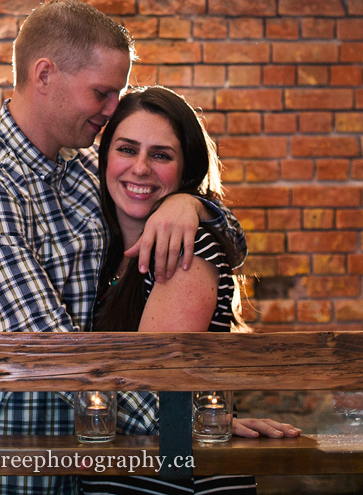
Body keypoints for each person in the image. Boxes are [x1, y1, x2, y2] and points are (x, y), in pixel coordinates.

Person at [0, 1, 248, 495]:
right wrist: (190, 430)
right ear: (45, 75)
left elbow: (225, 240)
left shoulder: (81, 171)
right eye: (102, 92)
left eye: (116, 93)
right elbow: (46, 347)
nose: (112, 108)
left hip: (81, 469)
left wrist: (190, 205)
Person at [81, 86, 300, 495]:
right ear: (104, 157)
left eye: (161, 155)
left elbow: (148, 385)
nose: (140, 168)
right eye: (127, 149)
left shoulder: (188, 246)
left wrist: (203, 420)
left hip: (176, 477)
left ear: (185, 171)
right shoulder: (106, 249)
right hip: (129, 470)